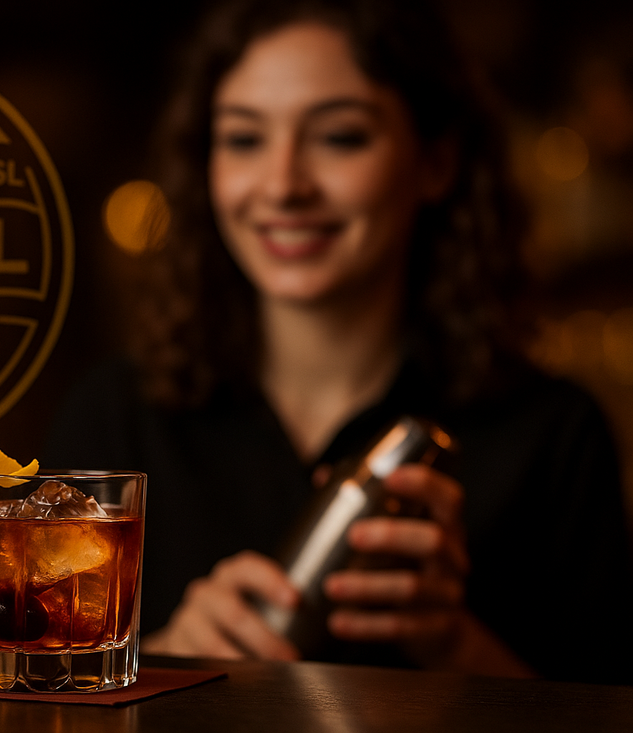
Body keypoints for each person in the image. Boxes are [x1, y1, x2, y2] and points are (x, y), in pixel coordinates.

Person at [44, 0, 633, 684]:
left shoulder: (552, 437)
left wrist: (453, 645)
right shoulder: (115, 419)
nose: (284, 185)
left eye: (340, 137)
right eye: (243, 139)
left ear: (436, 163)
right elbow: (36, 706)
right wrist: (166, 652)